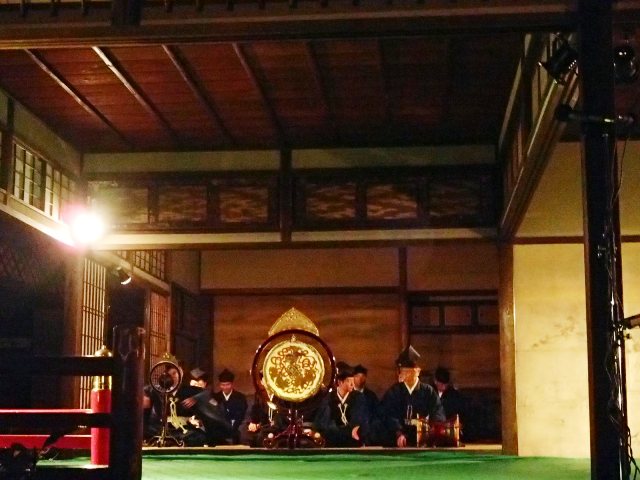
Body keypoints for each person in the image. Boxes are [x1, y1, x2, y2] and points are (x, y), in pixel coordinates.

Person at [379, 345, 445, 448]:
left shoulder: (428, 391)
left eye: (409, 371)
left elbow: (437, 412)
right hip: (398, 439)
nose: (406, 374)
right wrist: (398, 433)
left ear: (418, 371)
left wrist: (430, 430)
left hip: (423, 439)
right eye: (404, 371)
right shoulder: (394, 392)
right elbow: (388, 415)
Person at [314, 367, 368, 447]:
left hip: (352, 441)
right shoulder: (328, 398)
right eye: (348, 381)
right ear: (340, 382)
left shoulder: (358, 397)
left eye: (353, 381)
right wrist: (346, 431)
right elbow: (323, 424)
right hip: (332, 441)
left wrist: (355, 427)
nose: (352, 385)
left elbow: (359, 420)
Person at [212, 368, 248, 444]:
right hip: (219, 427)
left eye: (228, 384)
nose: (225, 387)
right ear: (220, 385)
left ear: (232, 384)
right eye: (223, 385)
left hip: (236, 426)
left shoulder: (240, 397)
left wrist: (233, 424)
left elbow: (242, 414)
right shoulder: (215, 397)